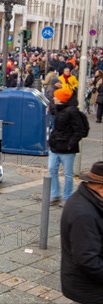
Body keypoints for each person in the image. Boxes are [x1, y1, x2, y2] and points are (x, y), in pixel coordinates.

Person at [60, 161, 103, 304]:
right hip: (88, 288)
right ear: (101, 188)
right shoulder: (84, 214)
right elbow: (88, 260)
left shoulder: (89, 196)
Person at [48, 87, 89, 207]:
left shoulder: (72, 111)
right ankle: (55, 194)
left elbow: (79, 130)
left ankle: (67, 197)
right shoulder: (58, 109)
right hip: (55, 145)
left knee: (68, 174)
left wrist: (70, 144)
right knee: (52, 170)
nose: (54, 98)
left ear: (62, 99)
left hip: (66, 148)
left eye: (56, 96)